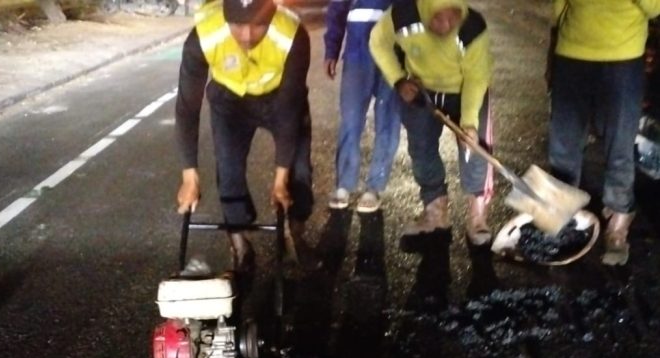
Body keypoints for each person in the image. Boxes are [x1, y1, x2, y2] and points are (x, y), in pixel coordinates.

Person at [174, 0, 313, 270]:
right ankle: (239, 242)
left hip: (279, 99)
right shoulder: (203, 36)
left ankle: (295, 232)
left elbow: (289, 112)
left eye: (259, 24)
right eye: (237, 24)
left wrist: (280, 180)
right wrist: (189, 176)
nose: (247, 35)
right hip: (230, 101)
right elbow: (187, 109)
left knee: (299, 170)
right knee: (228, 170)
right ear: (225, 15)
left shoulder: (293, 35)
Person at [369, 0, 495, 246]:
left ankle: (477, 215)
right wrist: (398, 80)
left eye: (452, 17)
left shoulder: (472, 26)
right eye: (438, 18)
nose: (446, 26)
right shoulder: (403, 14)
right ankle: (435, 212)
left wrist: (469, 122)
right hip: (421, 90)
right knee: (421, 149)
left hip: (464, 89)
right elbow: (378, 42)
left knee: (475, 150)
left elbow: (477, 77)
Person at [547, 0, 660, 266]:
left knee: (619, 144)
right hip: (571, 53)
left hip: (623, 58)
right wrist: (554, 49)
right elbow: (560, 8)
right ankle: (559, 216)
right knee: (563, 145)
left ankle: (619, 217)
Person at [324, 0, 402, 213]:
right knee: (350, 119)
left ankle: (374, 187)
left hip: (395, 54)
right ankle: (344, 185)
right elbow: (337, 9)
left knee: (388, 121)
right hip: (358, 54)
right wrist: (331, 50)